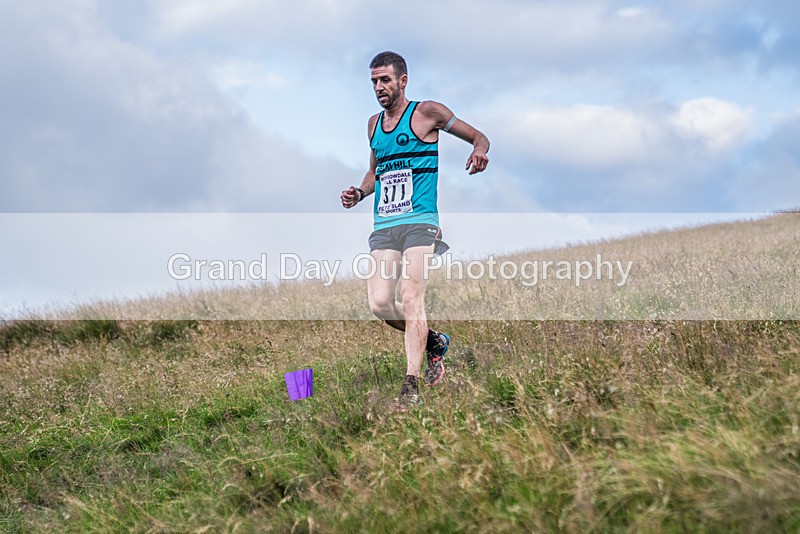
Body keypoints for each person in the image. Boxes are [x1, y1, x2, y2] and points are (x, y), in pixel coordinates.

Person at [341, 51, 490, 409]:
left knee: (411, 298)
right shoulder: (373, 125)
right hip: (385, 224)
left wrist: (480, 152)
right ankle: (434, 340)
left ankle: (410, 389)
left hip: (421, 221)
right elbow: (377, 172)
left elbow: (478, 136)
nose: (379, 87)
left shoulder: (427, 113)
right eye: (375, 81)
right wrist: (360, 191)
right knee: (379, 304)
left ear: (402, 81)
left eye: (385, 80)